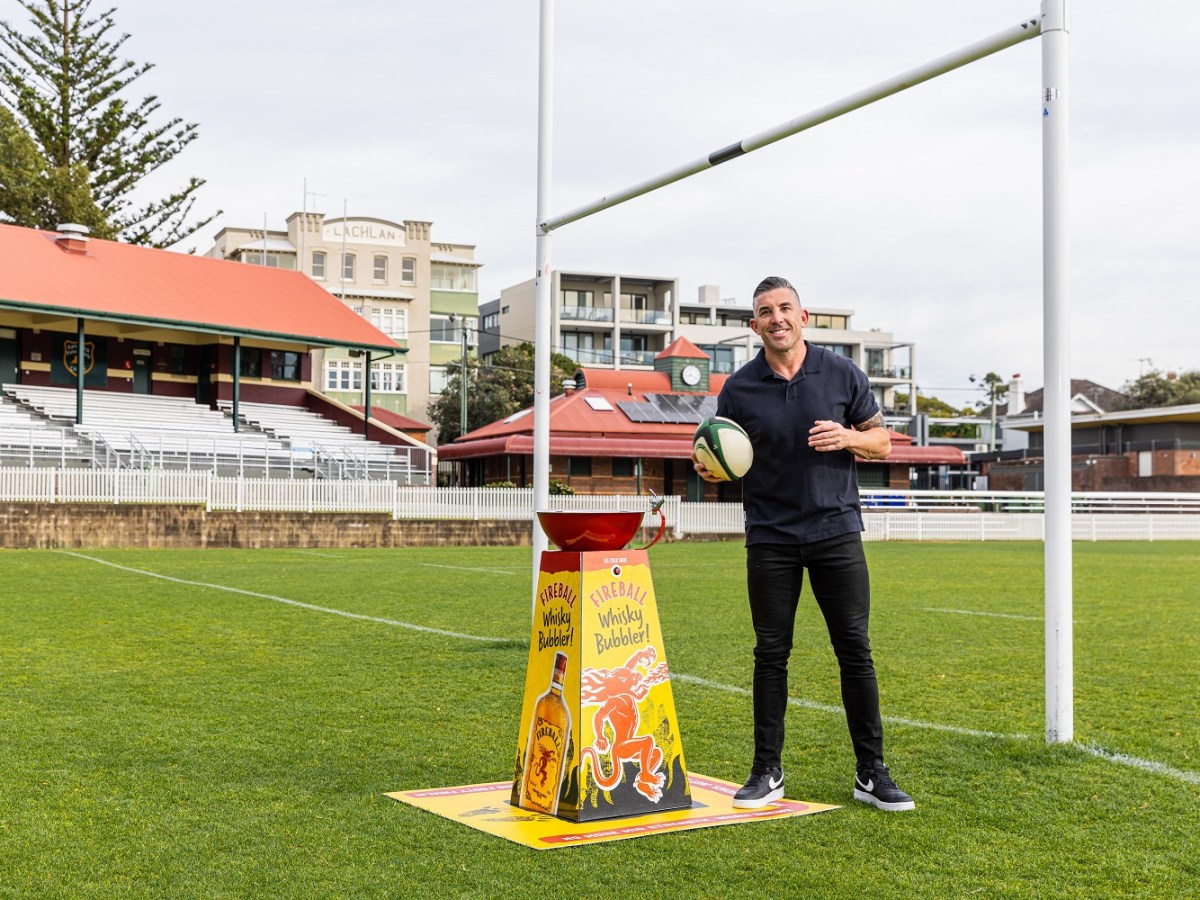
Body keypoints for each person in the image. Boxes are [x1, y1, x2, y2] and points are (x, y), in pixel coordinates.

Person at [693, 275, 914, 812]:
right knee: (771, 654)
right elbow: (717, 454)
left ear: (803, 315)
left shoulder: (842, 373)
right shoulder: (739, 389)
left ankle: (871, 772)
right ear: (754, 326)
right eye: (765, 312)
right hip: (770, 536)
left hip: (836, 531)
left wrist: (850, 437)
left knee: (854, 651)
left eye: (785, 308)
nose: (777, 319)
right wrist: (712, 470)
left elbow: (883, 441)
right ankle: (767, 771)